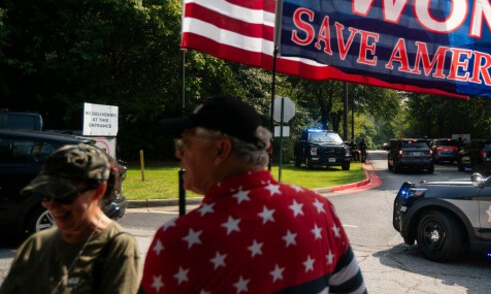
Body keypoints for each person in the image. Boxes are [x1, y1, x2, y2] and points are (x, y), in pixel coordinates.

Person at [141, 96, 367, 294]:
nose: (178, 152)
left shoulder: (178, 241)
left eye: (186, 142)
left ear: (221, 150)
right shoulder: (320, 209)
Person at [0, 144, 140, 294]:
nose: (52, 205)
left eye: (64, 195)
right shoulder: (36, 245)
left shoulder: (116, 247)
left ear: (99, 190)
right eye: (45, 194)